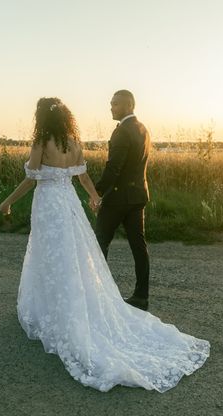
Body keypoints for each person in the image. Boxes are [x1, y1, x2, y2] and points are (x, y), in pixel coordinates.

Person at [0, 97, 209, 392]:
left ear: (41, 118)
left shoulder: (41, 142)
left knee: (50, 257)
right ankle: (74, 304)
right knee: (73, 256)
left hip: (48, 206)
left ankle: (54, 311)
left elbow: (32, 179)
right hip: (69, 204)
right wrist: (94, 197)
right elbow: (83, 176)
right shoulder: (72, 142)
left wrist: (7, 203)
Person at [95, 89, 151, 311]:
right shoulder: (143, 129)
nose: (111, 107)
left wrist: (97, 192)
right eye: (111, 103)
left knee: (99, 244)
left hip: (118, 198)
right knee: (139, 246)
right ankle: (141, 297)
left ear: (129, 106)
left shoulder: (122, 131)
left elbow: (113, 168)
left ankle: (98, 295)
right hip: (138, 196)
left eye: (115, 104)